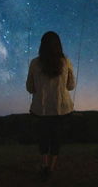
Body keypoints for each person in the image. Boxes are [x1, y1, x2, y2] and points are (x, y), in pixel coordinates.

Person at [26, 31, 76, 179]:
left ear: (42, 45)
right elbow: (71, 86)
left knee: (43, 139)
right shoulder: (65, 61)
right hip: (62, 109)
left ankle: (44, 165)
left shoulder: (35, 63)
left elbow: (30, 88)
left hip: (41, 110)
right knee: (56, 139)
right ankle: (51, 169)